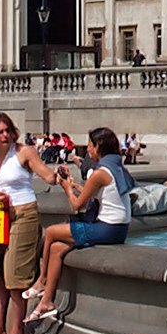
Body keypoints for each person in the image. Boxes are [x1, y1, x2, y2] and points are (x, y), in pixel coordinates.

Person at [25, 127, 134, 322]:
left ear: (97, 147)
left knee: (51, 232)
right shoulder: (115, 167)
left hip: (108, 229)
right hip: (118, 228)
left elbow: (77, 205)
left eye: (90, 145)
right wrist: (74, 185)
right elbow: (96, 194)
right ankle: (47, 302)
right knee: (56, 249)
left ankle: (42, 280)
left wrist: (66, 188)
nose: (88, 149)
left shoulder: (100, 173)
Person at [0, 112, 57, 334]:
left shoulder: (25, 152)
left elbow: (47, 175)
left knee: (15, 275)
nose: (5, 136)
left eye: (8, 130)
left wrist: (58, 176)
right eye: (0, 132)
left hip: (23, 215)